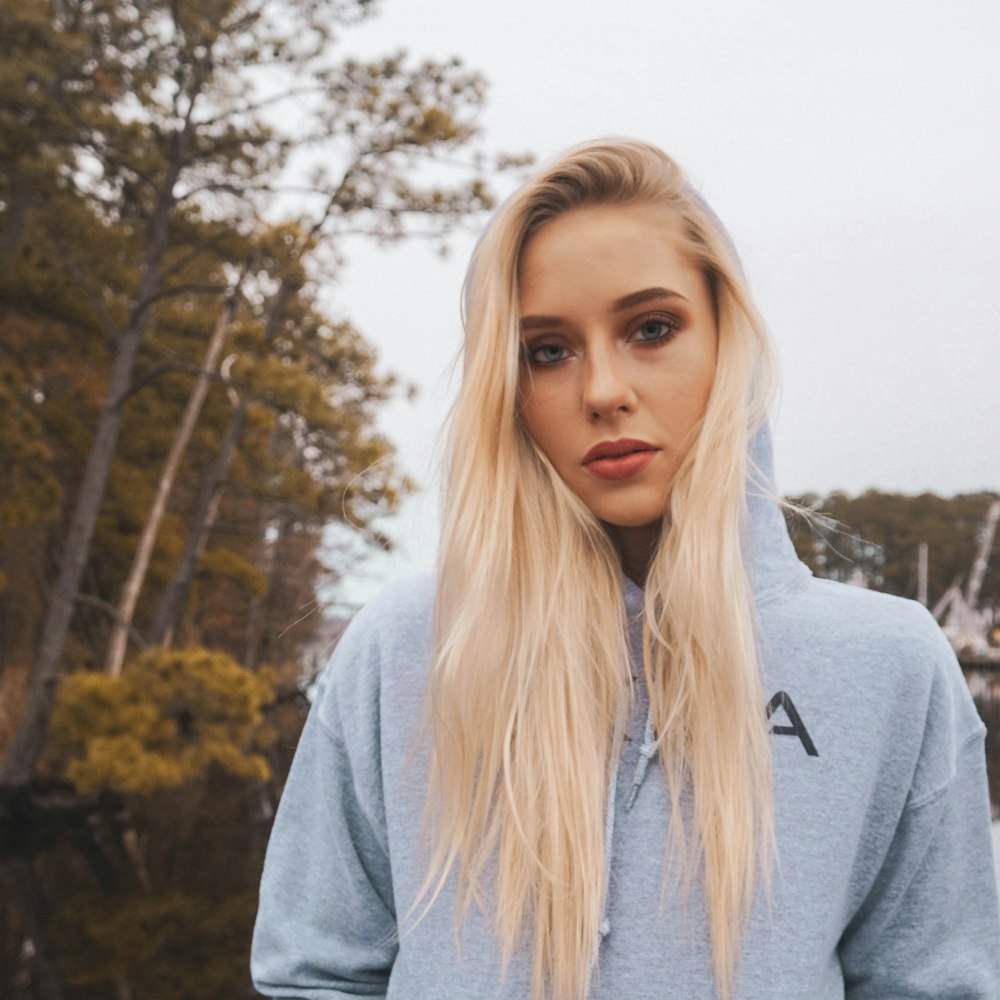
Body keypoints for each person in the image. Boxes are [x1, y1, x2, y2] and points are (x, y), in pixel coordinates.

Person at [250, 139, 1000, 999]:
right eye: (547, 350)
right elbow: (314, 973)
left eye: (651, 329)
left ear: (727, 345)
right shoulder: (404, 653)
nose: (603, 389)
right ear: (509, 387)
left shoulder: (888, 667)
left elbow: (933, 982)